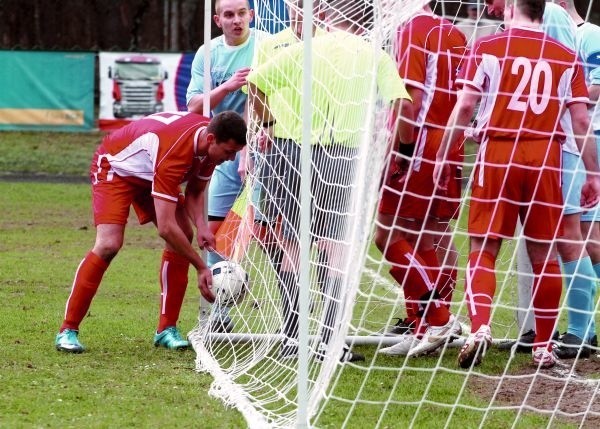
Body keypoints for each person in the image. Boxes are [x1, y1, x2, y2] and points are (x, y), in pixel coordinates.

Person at [435, 0, 600, 369]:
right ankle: (543, 345)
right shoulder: (565, 54)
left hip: (498, 152)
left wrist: (446, 154)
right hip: (545, 158)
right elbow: (579, 119)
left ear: (512, 8)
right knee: (544, 255)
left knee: (484, 247)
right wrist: (593, 172)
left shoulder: (487, 47)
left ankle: (480, 328)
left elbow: (464, 107)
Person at [247, 0, 414, 362]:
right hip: (343, 158)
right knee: (336, 248)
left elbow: (254, 83)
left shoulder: (303, 50)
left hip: (290, 151)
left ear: (326, 17)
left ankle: (293, 333)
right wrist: (401, 149)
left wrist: (271, 125)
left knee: (291, 242)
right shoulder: (374, 57)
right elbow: (403, 105)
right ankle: (328, 338)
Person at [55, 110, 248, 353]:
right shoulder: (175, 152)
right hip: (116, 169)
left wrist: (202, 228)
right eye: (229, 152)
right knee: (109, 245)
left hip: (150, 173)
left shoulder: (211, 145)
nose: (230, 159)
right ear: (210, 139)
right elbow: (166, 229)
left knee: (185, 235)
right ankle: (67, 330)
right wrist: (201, 266)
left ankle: (166, 329)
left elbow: (196, 192)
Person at [485, 0, 598, 359]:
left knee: (568, 237)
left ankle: (581, 330)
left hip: (558, 145)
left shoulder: (551, 17)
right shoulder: (537, 16)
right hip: (546, 144)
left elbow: (568, 70)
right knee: (554, 242)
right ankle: (538, 331)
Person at [376, 4, 468, 357]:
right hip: (450, 144)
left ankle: (438, 318)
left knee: (387, 235)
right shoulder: (455, 33)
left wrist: (400, 152)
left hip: (418, 143)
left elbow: (408, 101)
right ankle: (423, 328)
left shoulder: (412, 29)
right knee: (430, 234)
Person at [186, 0, 268, 333]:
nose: (237, 21)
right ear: (218, 20)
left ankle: (295, 319)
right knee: (214, 232)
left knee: (274, 235)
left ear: (251, 15)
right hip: (222, 156)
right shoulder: (208, 54)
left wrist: (251, 143)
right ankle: (216, 312)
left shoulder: (264, 45)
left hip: (265, 152)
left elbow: (262, 96)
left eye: (242, 14)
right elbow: (193, 107)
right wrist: (227, 86)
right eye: (229, 15)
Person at [553, 0, 600, 357]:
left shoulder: (591, 36)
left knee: (581, 238)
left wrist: (570, 97)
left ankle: (581, 329)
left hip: (589, 139)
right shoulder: (551, 30)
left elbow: (594, 88)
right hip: (569, 143)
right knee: (580, 238)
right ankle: (586, 328)